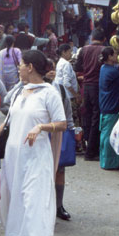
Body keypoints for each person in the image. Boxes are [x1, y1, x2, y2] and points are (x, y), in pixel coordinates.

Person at [0, 50, 66, 236]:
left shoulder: (49, 93)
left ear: (30, 67)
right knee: (11, 205)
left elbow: (62, 123)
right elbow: (8, 123)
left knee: (33, 205)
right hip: (13, 159)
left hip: (36, 159)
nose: (18, 68)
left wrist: (41, 127)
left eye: (21, 64)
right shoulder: (19, 91)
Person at [45, 58, 75, 220]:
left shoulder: (61, 90)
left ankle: (58, 206)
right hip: (38, 137)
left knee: (60, 170)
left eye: (52, 69)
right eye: (47, 69)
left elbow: (68, 115)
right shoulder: (28, 89)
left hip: (58, 135)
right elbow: (7, 102)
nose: (50, 72)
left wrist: (71, 131)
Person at [74, 29, 106, 161]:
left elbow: (77, 68)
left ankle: (87, 146)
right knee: (95, 117)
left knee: (87, 116)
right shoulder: (104, 50)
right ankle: (91, 151)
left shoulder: (83, 49)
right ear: (104, 39)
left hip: (86, 86)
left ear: (92, 38)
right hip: (97, 86)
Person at [98, 46, 119, 170]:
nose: (117, 56)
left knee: (105, 135)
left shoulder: (103, 68)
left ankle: (105, 161)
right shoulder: (113, 72)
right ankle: (109, 163)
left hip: (105, 105)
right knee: (110, 136)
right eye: (115, 54)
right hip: (111, 106)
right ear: (110, 57)